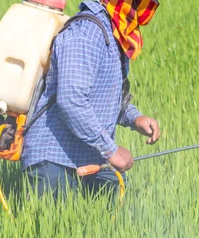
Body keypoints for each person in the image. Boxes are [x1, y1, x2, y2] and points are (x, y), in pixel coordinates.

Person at [22, 0, 161, 198]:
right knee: (54, 227)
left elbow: (106, 95)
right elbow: (71, 100)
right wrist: (111, 150)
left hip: (92, 157)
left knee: (117, 218)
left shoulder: (115, 33)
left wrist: (135, 118)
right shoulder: (87, 31)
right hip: (55, 159)